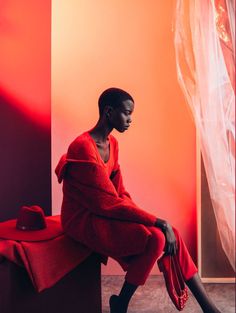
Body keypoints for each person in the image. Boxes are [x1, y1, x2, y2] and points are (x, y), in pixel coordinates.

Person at [56, 87, 222, 313]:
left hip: (105, 212)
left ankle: (206, 307)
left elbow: (120, 193)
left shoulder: (113, 144)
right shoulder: (83, 147)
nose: (130, 119)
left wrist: (151, 222)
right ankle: (123, 303)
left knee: (163, 235)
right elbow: (108, 203)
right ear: (108, 112)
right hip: (83, 219)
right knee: (159, 234)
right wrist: (156, 222)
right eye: (126, 113)